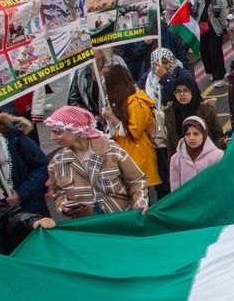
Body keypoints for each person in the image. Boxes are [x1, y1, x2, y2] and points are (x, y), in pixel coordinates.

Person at [46, 106, 149, 216]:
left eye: (57, 131)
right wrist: (63, 205)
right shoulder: (57, 163)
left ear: (76, 129)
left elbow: (137, 180)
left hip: (121, 219)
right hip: (89, 227)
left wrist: (140, 201)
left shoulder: (111, 150)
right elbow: (59, 193)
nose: (53, 137)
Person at [102, 64, 162, 196]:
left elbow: (135, 132)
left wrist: (113, 119)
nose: (104, 86)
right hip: (126, 156)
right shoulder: (120, 102)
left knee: (141, 197)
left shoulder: (136, 103)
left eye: (106, 82)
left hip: (138, 156)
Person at [169, 115, 224, 189]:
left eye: (196, 134)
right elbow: (175, 188)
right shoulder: (176, 159)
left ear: (204, 134)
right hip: (188, 200)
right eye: (187, 134)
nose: (191, 138)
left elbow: (221, 182)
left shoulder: (218, 156)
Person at [193, 0, 228, 82]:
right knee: (205, 51)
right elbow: (194, 11)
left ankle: (220, 75)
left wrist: (224, 29)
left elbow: (222, 15)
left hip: (215, 29)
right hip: (202, 29)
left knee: (215, 52)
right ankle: (212, 71)